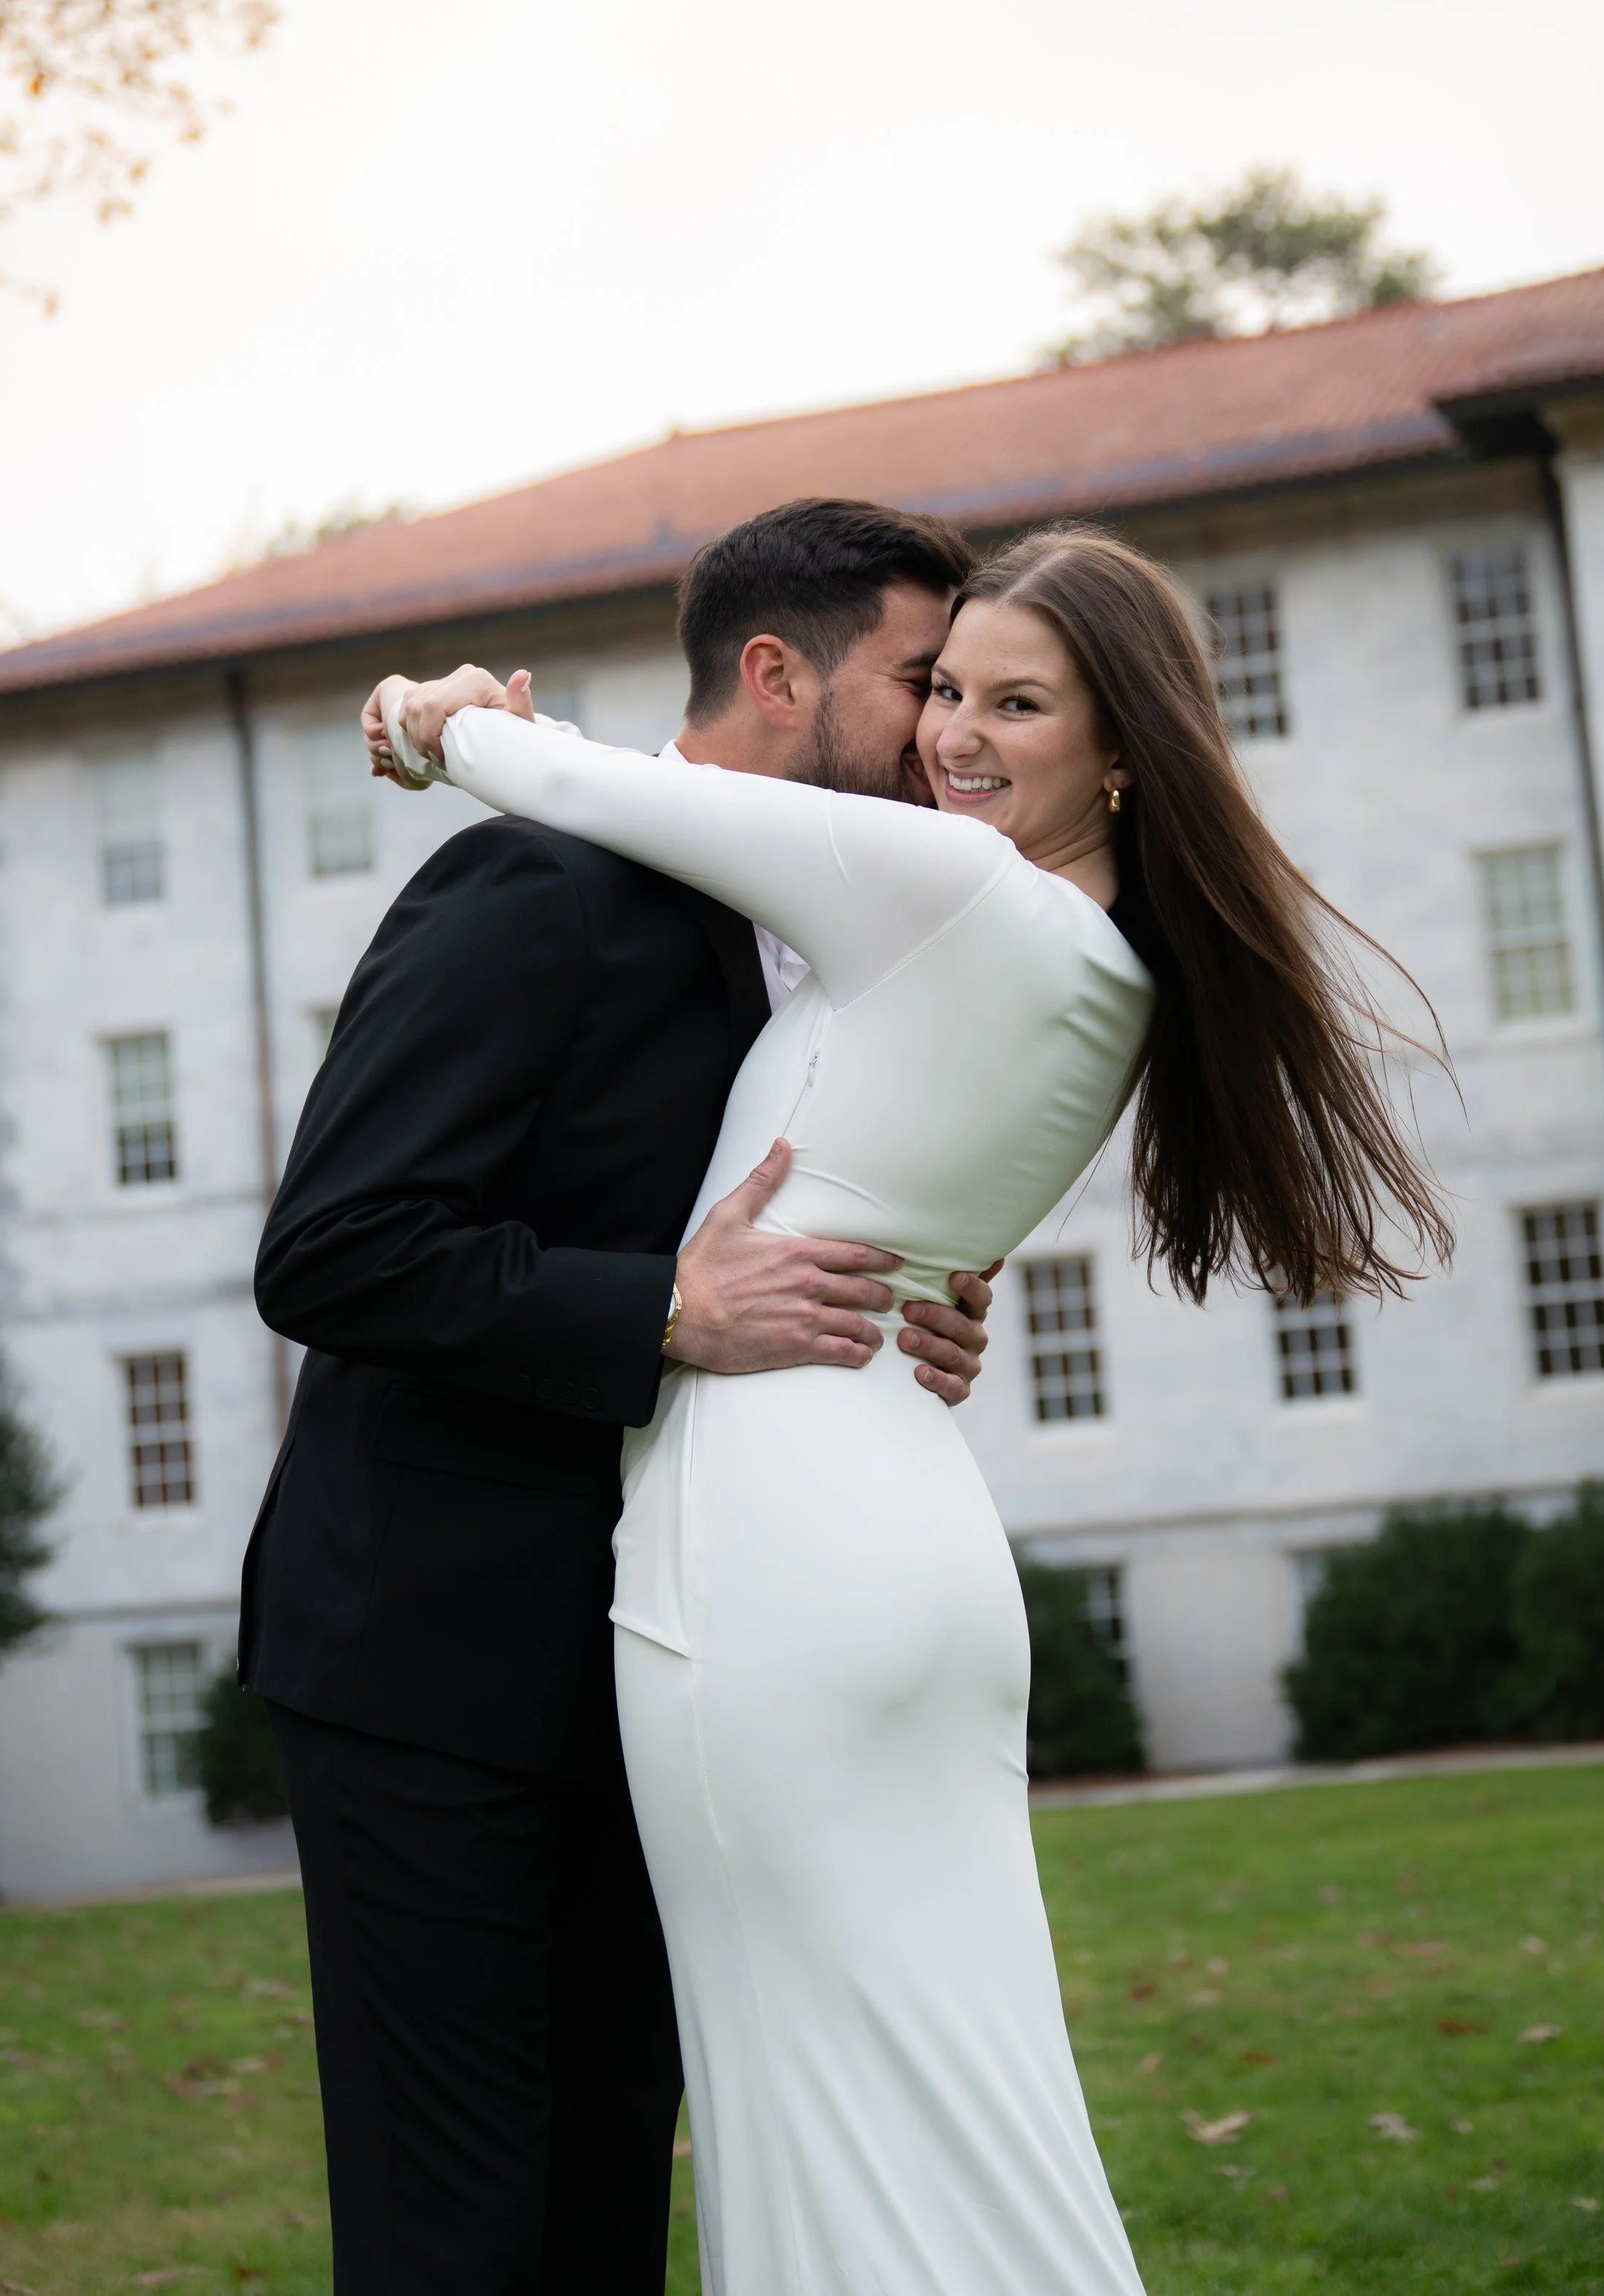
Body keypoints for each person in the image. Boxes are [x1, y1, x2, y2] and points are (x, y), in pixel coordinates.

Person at [372, 521, 1454, 2296]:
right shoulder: (1108, 972)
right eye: (944, 688)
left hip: (768, 1552)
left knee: (813, 2115)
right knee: (962, 2097)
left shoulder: (943, 891)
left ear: (1121, 748)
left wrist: (432, 709)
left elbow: (585, 783)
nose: (953, 733)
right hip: (916, 1545)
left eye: (1016, 703)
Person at [242, 497, 999, 2296]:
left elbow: (771, 1254)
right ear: (773, 674)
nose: (949, 734)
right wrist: (660, 1305)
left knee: (600, 2214)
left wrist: (905, 1317)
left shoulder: (834, 952)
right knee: (462, 2234)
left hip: (666, 1672)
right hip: (427, 1670)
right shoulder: (530, 883)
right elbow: (334, 1250)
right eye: (921, 683)